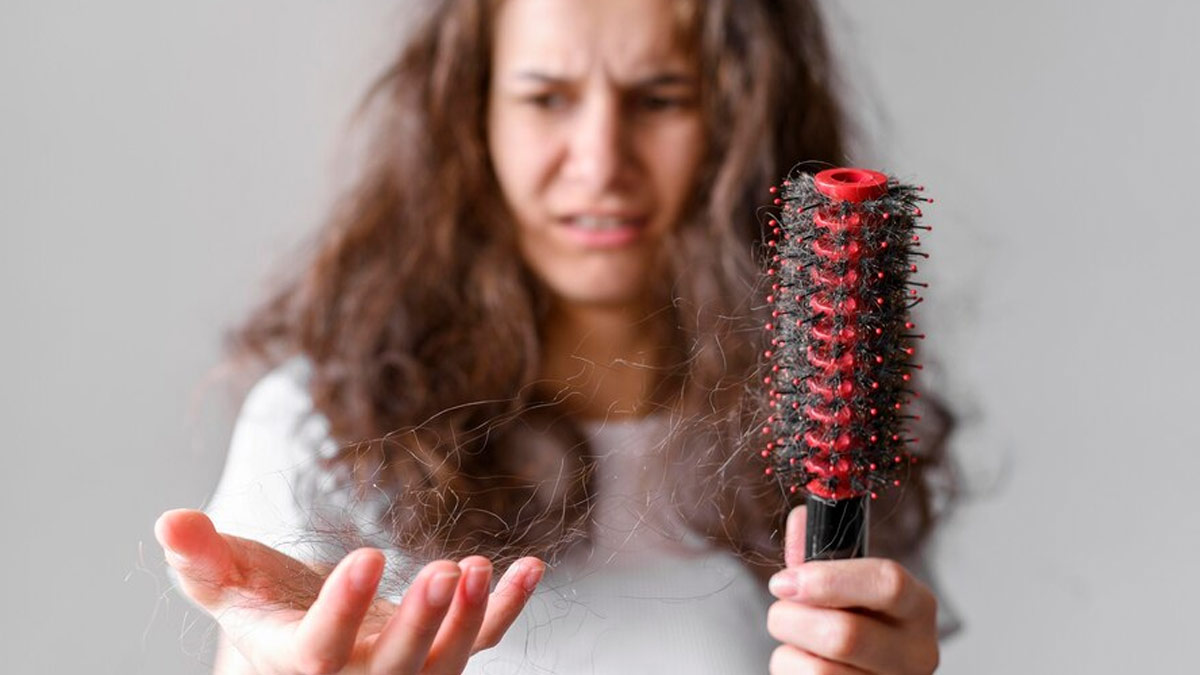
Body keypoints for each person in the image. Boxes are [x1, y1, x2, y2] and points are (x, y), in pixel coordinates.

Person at [155, 0, 953, 672]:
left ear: (739, 119)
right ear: (474, 118)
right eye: (546, 98)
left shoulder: (834, 427)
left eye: (660, 97)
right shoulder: (318, 426)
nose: (602, 161)